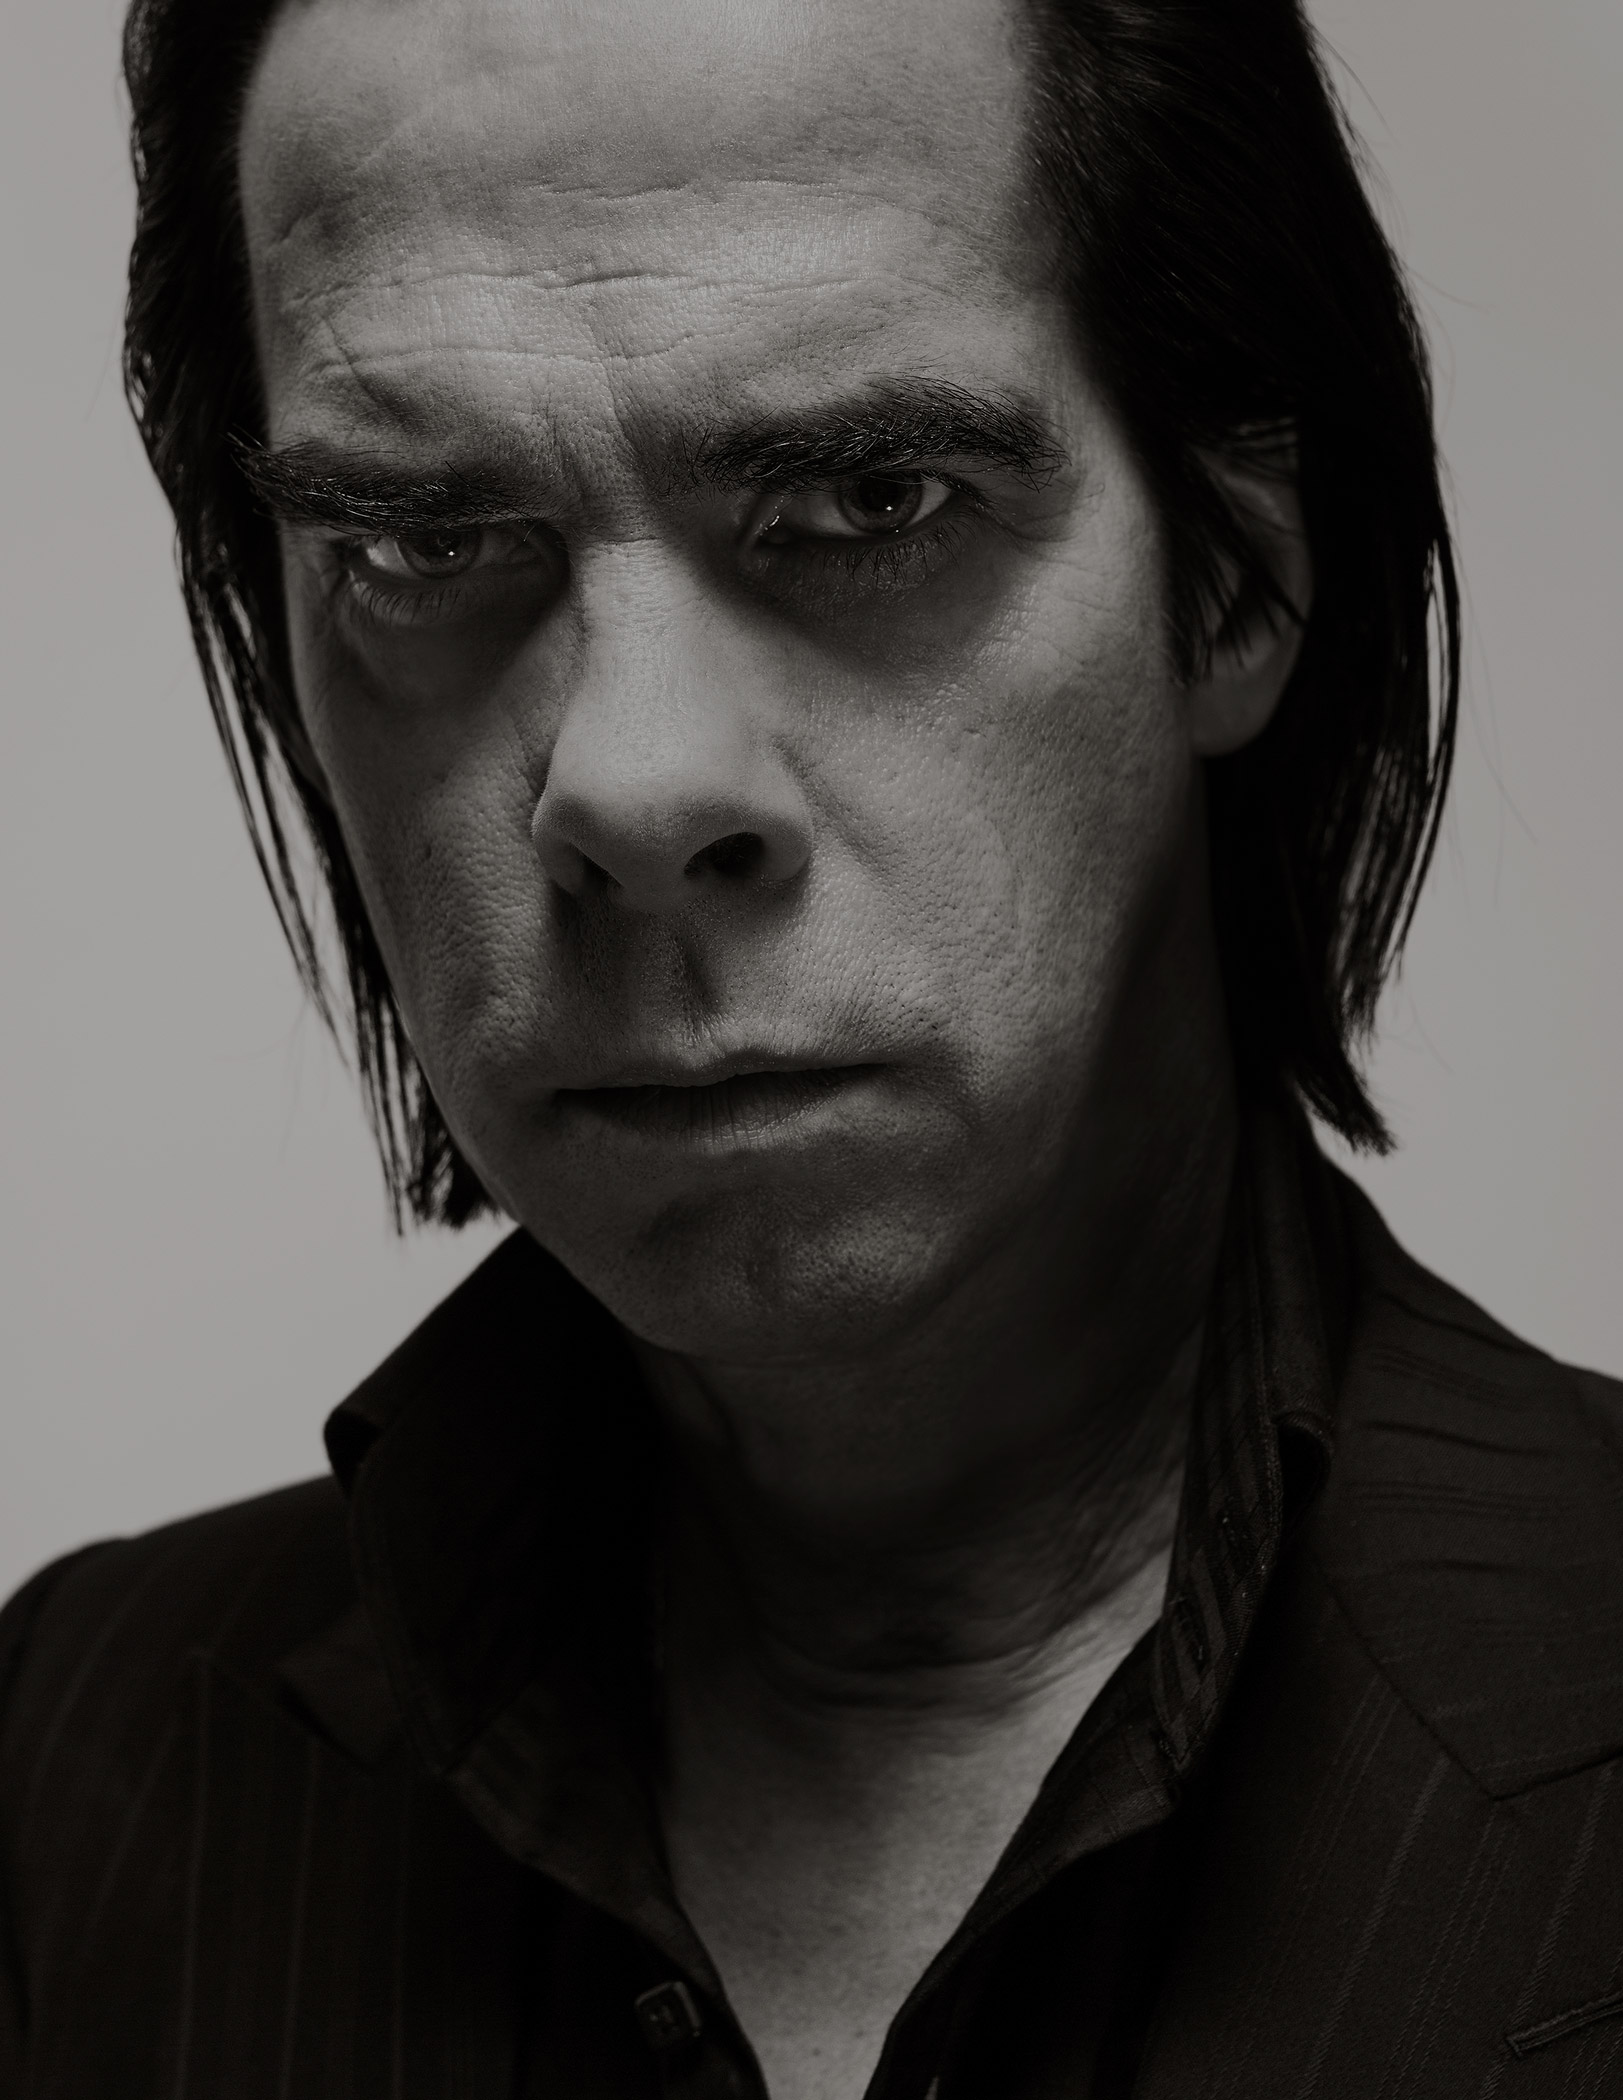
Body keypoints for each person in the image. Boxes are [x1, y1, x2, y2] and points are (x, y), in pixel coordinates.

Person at [4, 0, 1621, 2091]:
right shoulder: (69, 1787)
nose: (628, 782)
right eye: (418, 544)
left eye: (870, 496)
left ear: (1230, 582)